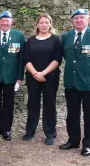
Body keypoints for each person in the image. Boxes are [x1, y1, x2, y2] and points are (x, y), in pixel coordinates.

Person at [59, 9, 90, 156]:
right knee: (72, 114)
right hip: (71, 82)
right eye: (76, 18)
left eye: (82, 18)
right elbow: (67, 58)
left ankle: (87, 144)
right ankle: (73, 141)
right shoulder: (66, 37)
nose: (79, 20)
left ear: (88, 19)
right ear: (72, 21)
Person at [0, 11, 25, 141]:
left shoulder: (19, 36)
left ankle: (6, 129)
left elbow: (21, 59)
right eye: (2, 21)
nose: (5, 23)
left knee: (9, 104)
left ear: (12, 22)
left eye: (7, 20)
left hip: (11, 76)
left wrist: (20, 77)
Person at [22, 13, 62, 145]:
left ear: (50, 24)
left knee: (49, 104)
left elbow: (57, 59)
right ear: (37, 25)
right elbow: (26, 59)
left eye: (46, 22)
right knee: (32, 103)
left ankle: (50, 133)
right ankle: (30, 131)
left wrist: (43, 73)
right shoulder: (30, 40)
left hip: (50, 77)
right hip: (33, 77)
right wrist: (35, 73)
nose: (44, 25)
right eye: (41, 22)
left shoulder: (56, 40)